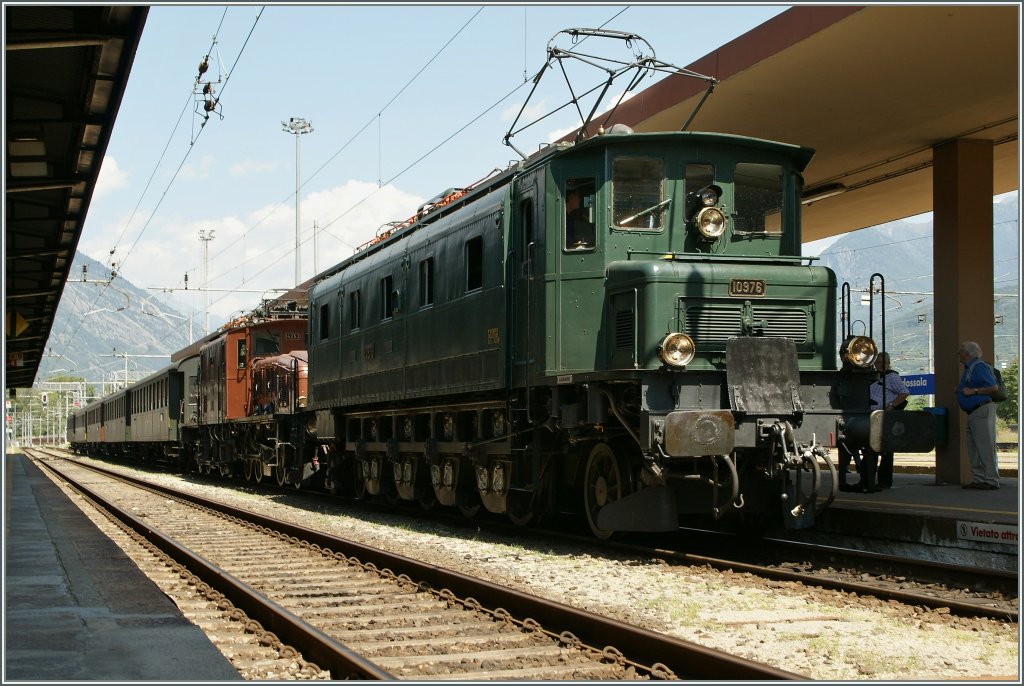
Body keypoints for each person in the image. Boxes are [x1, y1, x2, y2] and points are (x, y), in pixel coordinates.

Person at [955, 341, 1001, 490]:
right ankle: (979, 478)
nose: (958, 354)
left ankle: (991, 480)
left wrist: (973, 392)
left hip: (981, 410)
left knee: (985, 446)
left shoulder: (979, 366)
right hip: (973, 412)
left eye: (960, 351)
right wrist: (960, 389)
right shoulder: (969, 368)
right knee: (973, 447)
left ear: (967, 354)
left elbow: (993, 387)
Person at [868, 352, 910, 489]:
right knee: (870, 450)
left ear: (888, 363)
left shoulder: (892, 377)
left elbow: (904, 392)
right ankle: (868, 479)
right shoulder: (871, 376)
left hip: (885, 416)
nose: (879, 365)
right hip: (871, 416)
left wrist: (891, 405)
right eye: (877, 363)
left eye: (882, 363)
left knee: (886, 450)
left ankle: (884, 481)